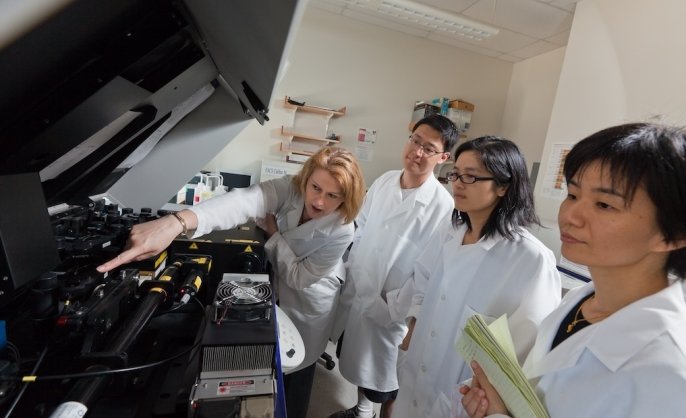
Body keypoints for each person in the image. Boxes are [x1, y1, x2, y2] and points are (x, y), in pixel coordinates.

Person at [97, 146, 366, 418]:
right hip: (280, 281)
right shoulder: (292, 188)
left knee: (298, 369)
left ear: (346, 198)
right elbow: (246, 201)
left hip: (311, 298)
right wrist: (176, 222)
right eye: (316, 187)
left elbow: (299, 277)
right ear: (306, 178)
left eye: (333, 195)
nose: (319, 201)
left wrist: (273, 236)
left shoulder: (342, 229)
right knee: (272, 363)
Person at [460, 123, 686, 418]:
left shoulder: (668, 370)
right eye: (574, 195)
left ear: (673, 234)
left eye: (604, 204)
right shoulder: (580, 301)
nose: (570, 216)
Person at [392, 136, 561, 418]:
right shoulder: (450, 232)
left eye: (470, 177)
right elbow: (422, 283)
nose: (457, 183)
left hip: (466, 398)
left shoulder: (531, 260)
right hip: (416, 375)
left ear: (503, 186)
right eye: (456, 174)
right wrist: (411, 330)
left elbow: (525, 352)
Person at [327, 114, 458, 418]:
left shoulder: (443, 206)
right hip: (360, 288)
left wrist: (397, 307)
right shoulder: (385, 180)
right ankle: (361, 411)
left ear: (443, 157)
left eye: (429, 148)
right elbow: (360, 228)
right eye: (415, 141)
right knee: (357, 361)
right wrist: (353, 269)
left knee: (388, 380)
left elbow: (431, 271)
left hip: (393, 307)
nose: (417, 152)